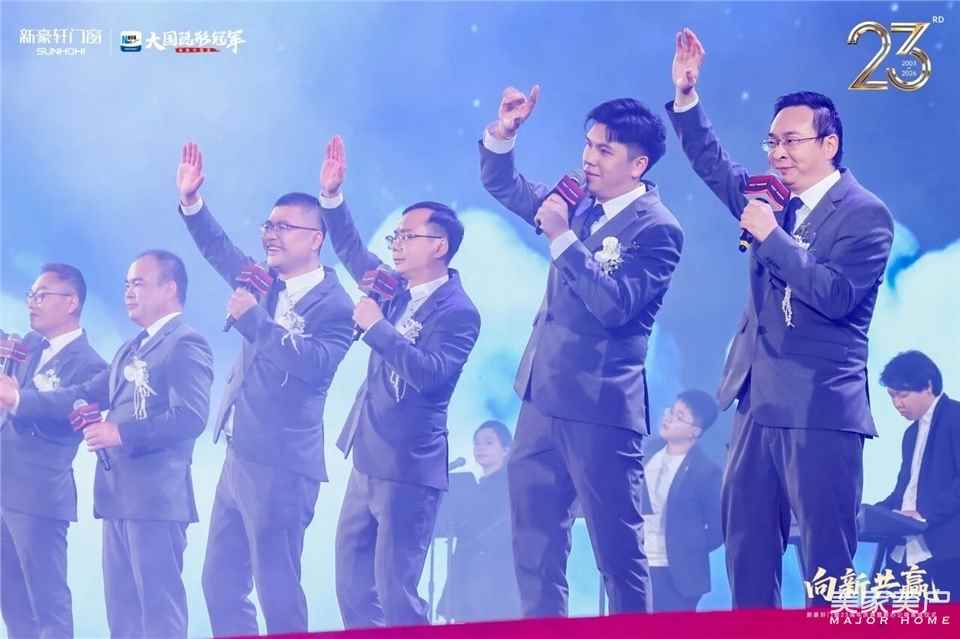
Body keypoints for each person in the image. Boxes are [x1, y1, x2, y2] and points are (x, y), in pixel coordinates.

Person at [666, 28, 894, 608]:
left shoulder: (865, 215)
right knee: (746, 554)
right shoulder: (770, 198)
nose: (777, 153)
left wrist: (772, 237)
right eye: (772, 141)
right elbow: (714, 166)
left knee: (826, 565)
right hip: (755, 404)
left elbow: (837, 296)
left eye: (792, 141)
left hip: (819, 409)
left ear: (830, 143)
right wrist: (687, 97)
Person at [479, 86, 683, 616]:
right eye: (588, 145)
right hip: (541, 400)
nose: (588, 158)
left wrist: (563, 239)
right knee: (535, 549)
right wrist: (504, 134)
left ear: (638, 164)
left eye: (604, 150)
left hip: (600, 410)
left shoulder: (658, 229)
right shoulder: (578, 203)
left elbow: (615, 306)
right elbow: (504, 184)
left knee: (618, 555)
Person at [175, 142, 354, 636]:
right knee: (219, 584)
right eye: (268, 226)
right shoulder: (264, 282)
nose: (270, 235)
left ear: (315, 238)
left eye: (283, 227)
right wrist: (192, 202)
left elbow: (314, 366)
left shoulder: (336, 305)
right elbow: (219, 249)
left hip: (282, 467)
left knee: (278, 590)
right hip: (239, 455)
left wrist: (255, 321)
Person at [0, 250, 213, 638]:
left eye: (138, 283)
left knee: (158, 615)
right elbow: (78, 395)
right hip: (118, 497)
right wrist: (20, 398)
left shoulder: (186, 343)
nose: (128, 292)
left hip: (155, 500)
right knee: (123, 618)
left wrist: (121, 433)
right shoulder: (130, 349)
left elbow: (191, 417)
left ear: (170, 288)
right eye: (127, 284)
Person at [318, 135, 481, 627]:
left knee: (396, 593)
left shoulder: (459, 312)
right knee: (351, 587)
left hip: (409, 467)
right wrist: (332, 198)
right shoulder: (392, 288)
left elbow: (430, 374)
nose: (395, 246)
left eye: (406, 237)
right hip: (366, 458)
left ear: (439, 246)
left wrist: (376, 329)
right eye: (395, 238)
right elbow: (351, 250)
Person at [1, 263, 107, 639]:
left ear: (71, 302)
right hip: (3, 489)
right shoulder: (25, 348)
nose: (32, 303)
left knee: (48, 608)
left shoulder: (92, 367)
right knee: (13, 606)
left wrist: (18, 399)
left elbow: (66, 404)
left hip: (39, 499)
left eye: (41, 295)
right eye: (30, 295)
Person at [876, 350, 960, 597]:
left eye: (903, 395)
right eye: (892, 396)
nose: (897, 404)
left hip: (944, 545)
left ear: (928, 386)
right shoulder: (910, 434)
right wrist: (874, 512)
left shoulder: (955, 417)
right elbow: (904, 490)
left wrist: (924, 513)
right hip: (904, 547)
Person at [643, 390, 722, 612]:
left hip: (678, 576)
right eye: (671, 411)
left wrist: (686, 547)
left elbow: (718, 530)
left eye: (679, 416)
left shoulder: (706, 472)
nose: (668, 418)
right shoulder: (647, 451)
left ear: (694, 432)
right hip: (639, 565)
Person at [438, 420, 522, 622]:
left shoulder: (511, 486)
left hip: (496, 578)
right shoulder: (472, 488)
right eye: (477, 443)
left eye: (489, 442)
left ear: (506, 450)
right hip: (467, 573)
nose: (480, 448)